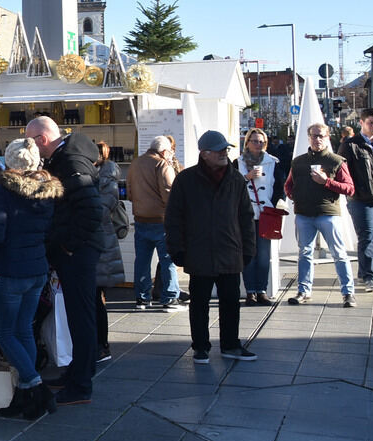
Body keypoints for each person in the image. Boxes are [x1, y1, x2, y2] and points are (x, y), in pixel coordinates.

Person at [25, 116, 102, 406]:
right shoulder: (67, 159)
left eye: (32, 141)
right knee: (78, 316)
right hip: (78, 250)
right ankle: (78, 374)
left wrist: (69, 245)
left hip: (79, 252)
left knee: (81, 317)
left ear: (42, 140)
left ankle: (81, 384)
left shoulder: (70, 163)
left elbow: (91, 211)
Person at [0, 138, 61, 419]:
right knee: (24, 330)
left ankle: (36, 386)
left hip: (12, 269)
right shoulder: (47, 191)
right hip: (37, 268)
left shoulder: (6, 191)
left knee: (5, 333)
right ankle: (27, 393)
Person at [165, 131, 257, 364]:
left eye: (225, 149)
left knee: (230, 302)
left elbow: (246, 216)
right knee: (199, 304)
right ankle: (200, 346)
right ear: (204, 154)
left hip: (230, 251)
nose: (224, 153)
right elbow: (174, 218)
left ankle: (230, 344)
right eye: (219, 150)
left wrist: (248, 249)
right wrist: (177, 249)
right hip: (199, 252)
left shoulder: (235, 179)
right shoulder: (186, 180)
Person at [285, 123, 357, 307]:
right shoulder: (298, 161)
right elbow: (288, 185)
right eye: (314, 136)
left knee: (339, 253)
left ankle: (348, 293)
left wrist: (327, 182)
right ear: (308, 137)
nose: (317, 139)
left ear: (327, 137)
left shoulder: (336, 161)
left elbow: (349, 189)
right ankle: (303, 290)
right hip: (304, 214)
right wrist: (296, 197)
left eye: (321, 136)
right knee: (305, 253)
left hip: (327, 213)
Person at [126, 136, 183, 310]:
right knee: (168, 261)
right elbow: (169, 195)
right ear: (164, 151)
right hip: (161, 221)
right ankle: (170, 298)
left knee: (142, 261)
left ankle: (142, 299)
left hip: (140, 219)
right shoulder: (162, 165)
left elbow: (129, 193)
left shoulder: (135, 164)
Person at [338, 108, 373, 293]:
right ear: (361, 123)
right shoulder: (350, 145)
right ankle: (369, 277)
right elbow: (342, 172)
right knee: (366, 237)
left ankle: (365, 272)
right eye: (370, 122)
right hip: (360, 199)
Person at [238, 128, 284, 305]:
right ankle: (250, 291)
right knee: (249, 254)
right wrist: (247, 177)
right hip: (246, 214)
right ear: (247, 142)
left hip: (266, 214)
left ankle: (262, 290)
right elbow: (233, 186)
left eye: (262, 142)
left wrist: (272, 204)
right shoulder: (238, 162)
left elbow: (279, 186)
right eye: (255, 141)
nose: (258, 145)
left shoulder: (273, 162)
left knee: (264, 255)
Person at [94, 141, 125, 362]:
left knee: (97, 298)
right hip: (100, 244)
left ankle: (102, 346)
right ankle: (99, 345)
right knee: (96, 297)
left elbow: (105, 206)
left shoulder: (107, 176)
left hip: (101, 244)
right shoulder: (98, 175)